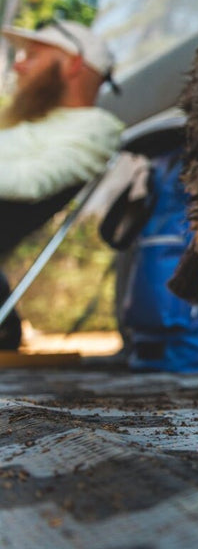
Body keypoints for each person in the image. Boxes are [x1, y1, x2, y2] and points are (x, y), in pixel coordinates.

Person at [0, 19, 122, 350]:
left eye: (33, 56)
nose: (19, 65)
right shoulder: (29, 125)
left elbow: (31, 182)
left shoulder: (94, 129)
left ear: (74, 64)